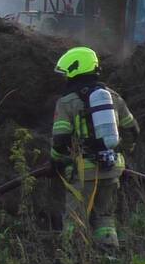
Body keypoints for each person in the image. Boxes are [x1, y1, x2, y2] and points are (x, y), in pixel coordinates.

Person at [50, 46, 139, 249]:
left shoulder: (67, 102)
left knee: (75, 218)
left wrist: (57, 161)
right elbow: (132, 130)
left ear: (74, 71)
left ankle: (74, 261)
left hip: (84, 171)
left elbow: (60, 138)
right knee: (105, 217)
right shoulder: (114, 97)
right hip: (112, 169)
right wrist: (120, 153)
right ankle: (109, 257)